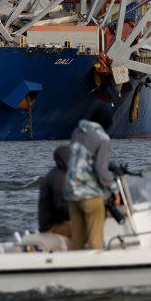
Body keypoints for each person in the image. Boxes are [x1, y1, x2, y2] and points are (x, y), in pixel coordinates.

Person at [65, 105, 115, 250]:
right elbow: (101, 170)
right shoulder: (103, 138)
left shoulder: (76, 132)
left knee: (77, 241)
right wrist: (114, 189)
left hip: (72, 193)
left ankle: (76, 269)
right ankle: (96, 270)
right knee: (95, 241)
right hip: (90, 194)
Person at [38, 145, 71, 237]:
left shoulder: (59, 173)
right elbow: (60, 208)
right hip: (51, 227)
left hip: (56, 223)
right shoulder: (58, 178)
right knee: (84, 229)